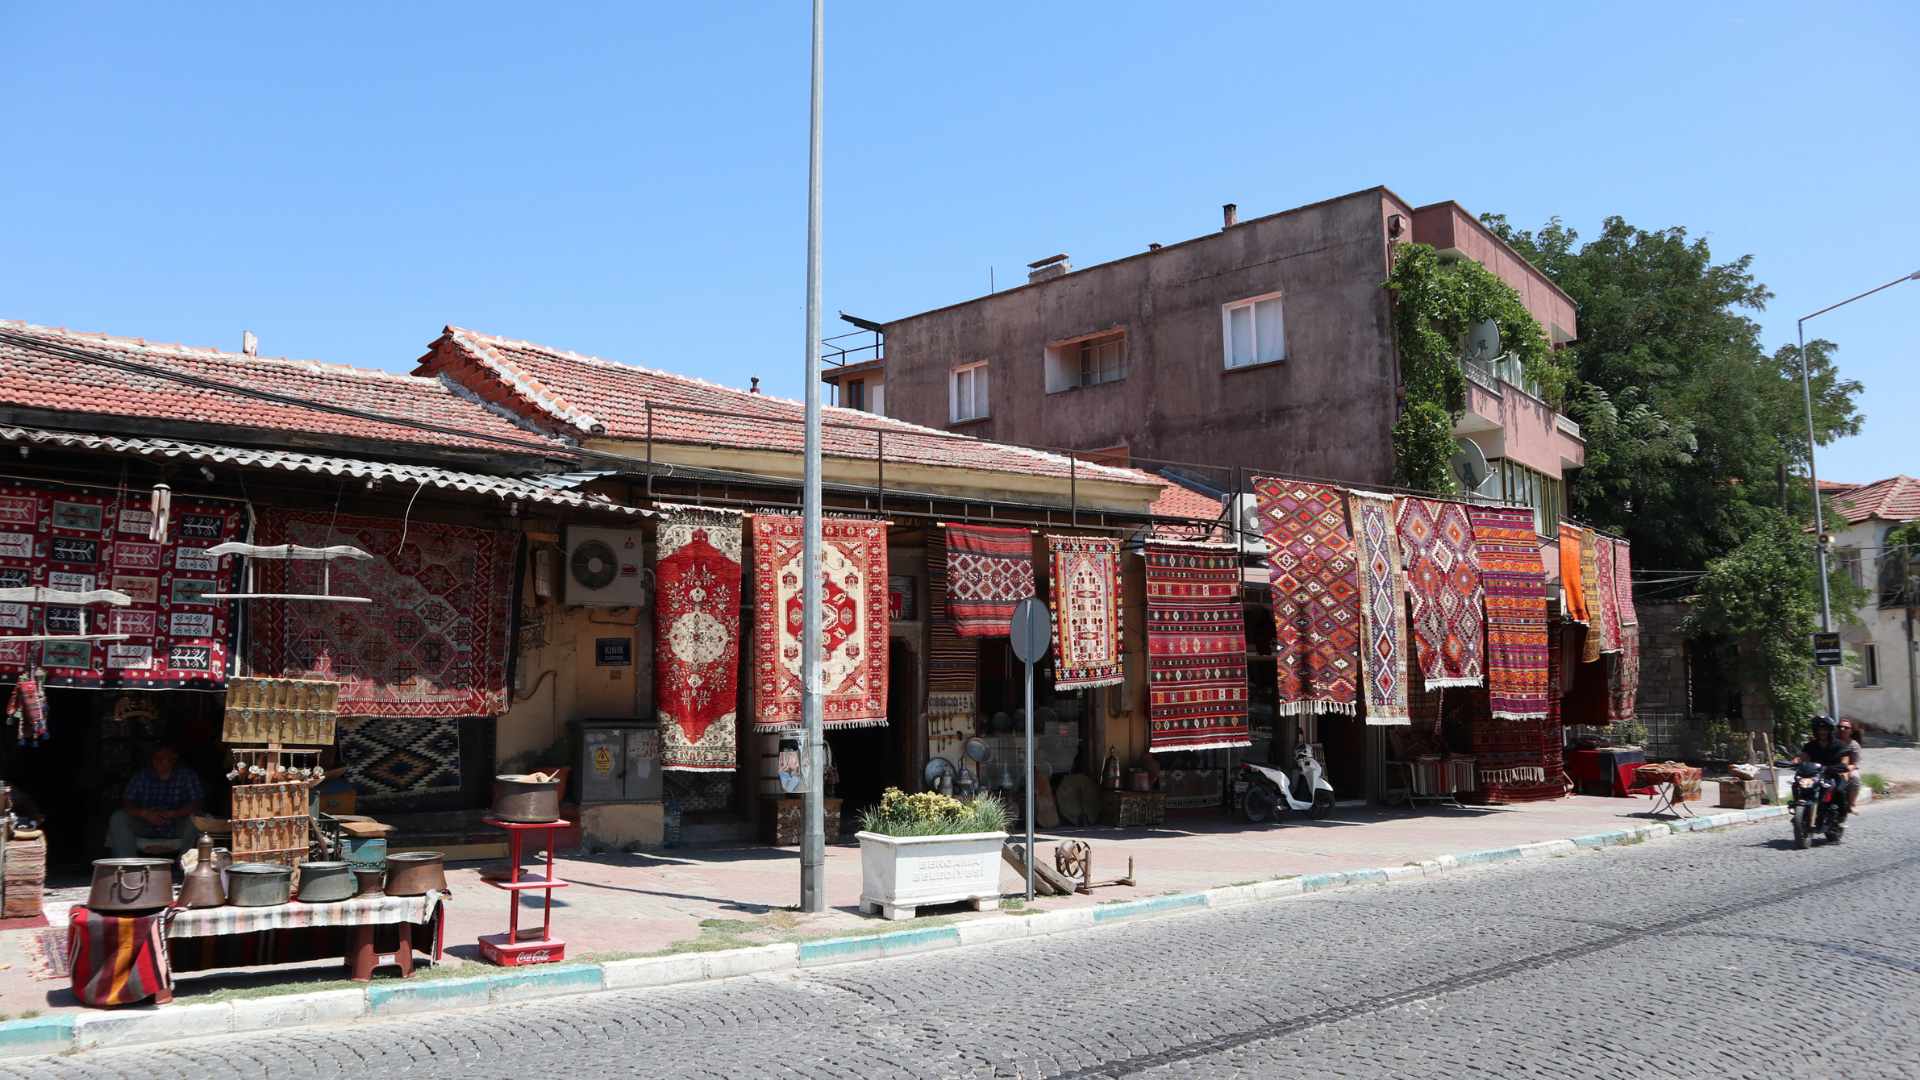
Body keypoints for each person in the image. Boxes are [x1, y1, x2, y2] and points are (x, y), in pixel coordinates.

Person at [106, 746, 204, 857]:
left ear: (173, 758)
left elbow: (196, 803)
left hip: (177, 824)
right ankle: (128, 865)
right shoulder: (142, 776)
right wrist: (145, 814)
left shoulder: (187, 775)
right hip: (145, 823)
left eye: (163, 758)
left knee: (196, 820)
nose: (158, 762)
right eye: (155, 758)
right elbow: (127, 802)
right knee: (118, 817)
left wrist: (173, 814)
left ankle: (185, 866)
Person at [1793, 716, 1855, 830]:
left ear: (1830, 730)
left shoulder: (1840, 745)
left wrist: (1841, 766)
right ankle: (1798, 807)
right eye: (1819, 729)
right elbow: (1802, 757)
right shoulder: (1810, 745)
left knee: (1839, 790)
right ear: (1815, 730)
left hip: (1833, 774)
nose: (1822, 732)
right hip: (1814, 775)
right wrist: (1795, 762)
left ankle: (1840, 818)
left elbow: (1845, 761)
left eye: (1825, 729)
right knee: (1797, 784)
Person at [1836, 719, 1865, 811]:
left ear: (1851, 731)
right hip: (1832, 766)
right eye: (1840, 727)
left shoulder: (1854, 745)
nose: (1842, 729)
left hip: (1847, 767)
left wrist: (1847, 768)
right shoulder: (1832, 741)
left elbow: (1855, 763)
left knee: (1855, 777)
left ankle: (1851, 804)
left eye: (1846, 727)